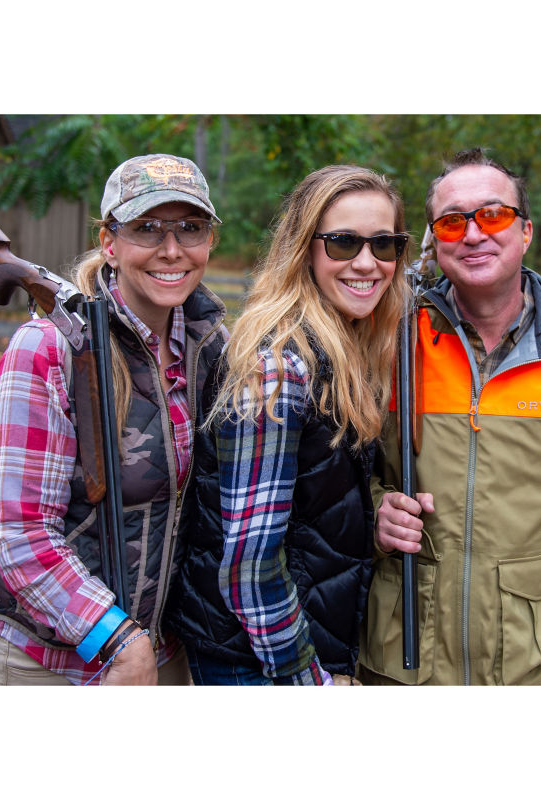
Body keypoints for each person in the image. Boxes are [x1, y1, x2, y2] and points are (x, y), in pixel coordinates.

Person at [358, 148, 541, 686]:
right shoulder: (387, 344)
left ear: (526, 231)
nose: (472, 234)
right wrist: (376, 511)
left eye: (492, 215)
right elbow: (339, 475)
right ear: (434, 241)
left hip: (530, 665)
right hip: (399, 656)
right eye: (451, 221)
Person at [0, 154, 227, 685]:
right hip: (51, 665)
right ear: (109, 242)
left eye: (190, 228)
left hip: (166, 657)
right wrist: (118, 640)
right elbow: (22, 540)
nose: (171, 249)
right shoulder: (49, 348)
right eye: (146, 229)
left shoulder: (213, 348)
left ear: (210, 242)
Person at [165, 165, 409, 684]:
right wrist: (307, 679)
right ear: (304, 248)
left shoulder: (347, 347)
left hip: (303, 644)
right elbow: (251, 571)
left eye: (384, 245)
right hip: (258, 663)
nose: (368, 263)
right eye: (343, 243)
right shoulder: (276, 366)